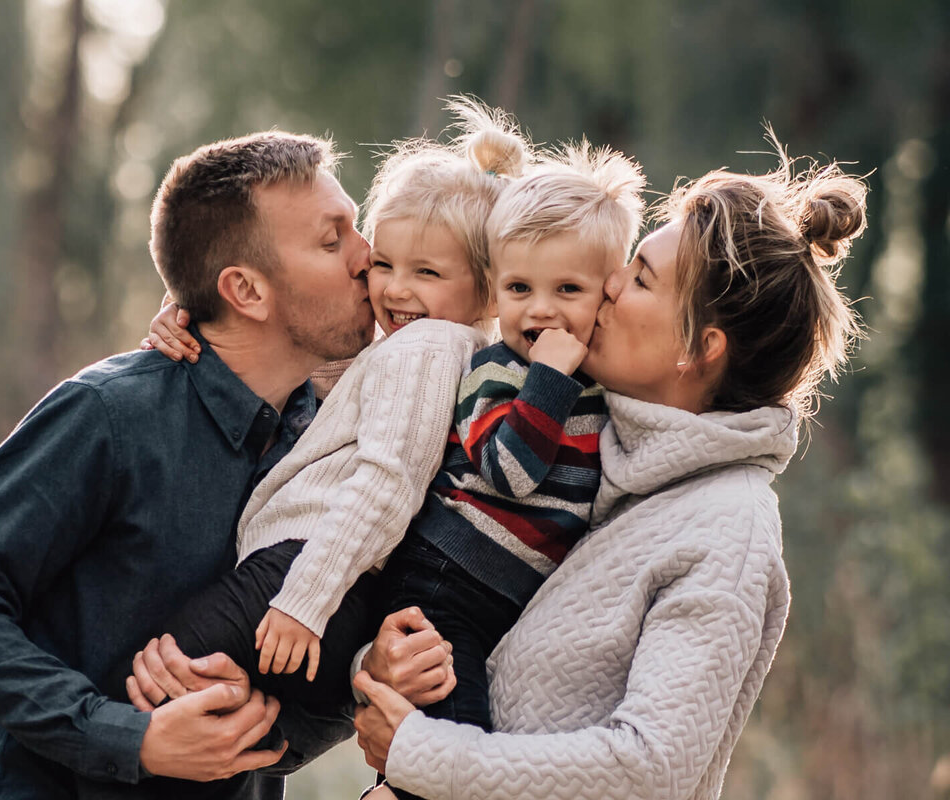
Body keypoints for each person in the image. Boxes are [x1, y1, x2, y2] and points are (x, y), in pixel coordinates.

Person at [131, 102, 645, 787]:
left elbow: (388, 479)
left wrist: (302, 602)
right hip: (344, 586)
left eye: (426, 274)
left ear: (487, 287)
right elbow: (311, 370)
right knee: (220, 730)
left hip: (307, 571)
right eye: (385, 263)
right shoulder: (430, 349)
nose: (396, 289)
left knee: (146, 693)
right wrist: (196, 314)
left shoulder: (433, 348)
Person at [352, 145, 868, 800]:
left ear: (698, 348)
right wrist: (378, 664)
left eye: (642, 278)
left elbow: (651, 767)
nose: (610, 284)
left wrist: (422, 756)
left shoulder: (727, 534)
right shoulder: (586, 444)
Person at [0, 130, 377, 800]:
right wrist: (130, 736)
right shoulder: (110, 415)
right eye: (333, 241)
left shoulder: (345, 447)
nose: (368, 257)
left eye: (356, 229)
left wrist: (265, 723)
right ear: (245, 289)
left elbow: (328, 682)